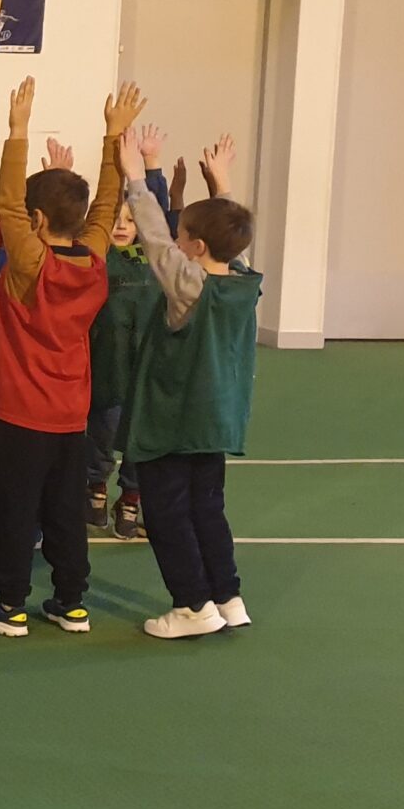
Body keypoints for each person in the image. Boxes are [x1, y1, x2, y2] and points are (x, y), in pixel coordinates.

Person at [0, 79, 142, 637]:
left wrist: (18, 130)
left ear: (35, 221)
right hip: (69, 412)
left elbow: (7, 203)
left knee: (15, 509)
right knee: (64, 510)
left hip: (17, 413)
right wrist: (112, 139)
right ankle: (71, 602)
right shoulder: (94, 259)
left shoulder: (30, 263)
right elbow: (105, 206)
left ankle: (9, 603)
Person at [119, 130, 262, 639]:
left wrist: (135, 178)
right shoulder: (242, 281)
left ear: (196, 248)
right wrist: (222, 185)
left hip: (173, 420)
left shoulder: (190, 286)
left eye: (184, 237)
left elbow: (155, 242)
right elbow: (230, 239)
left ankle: (191, 606)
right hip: (215, 421)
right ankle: (227, 596)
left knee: (167, 513)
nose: (175, 242)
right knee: (207, 508)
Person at [87, 134, 174, 539]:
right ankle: (95, 491)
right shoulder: (98, 260)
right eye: (114, 219)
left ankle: (131, 499)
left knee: (139, 442)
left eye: (129, 219)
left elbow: (156, 213)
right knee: (101, 436)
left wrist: (152, 165)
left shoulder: (155, 262)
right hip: (106, 371)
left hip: (146, 374)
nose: (122, 225)